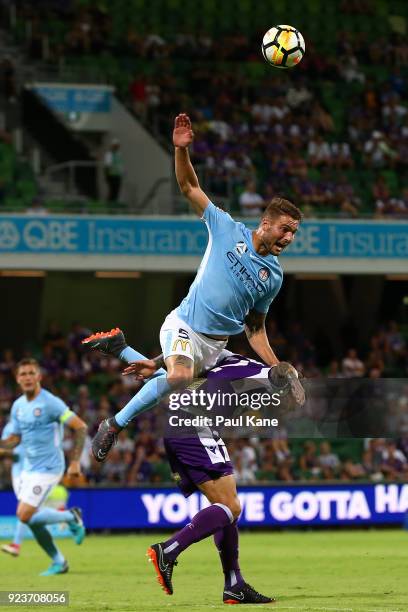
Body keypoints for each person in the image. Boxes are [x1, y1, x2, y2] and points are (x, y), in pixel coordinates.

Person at [86, 113, 302, 462]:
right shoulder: (227, 229)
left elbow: (256, 328)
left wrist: (278, 366)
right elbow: (190, 188)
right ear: (265, 224)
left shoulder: (273, 276)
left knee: (197, 391)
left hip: (216, 348)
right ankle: (113, 424)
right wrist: (180, 151)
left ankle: (124, 350)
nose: (289, 237)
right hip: (184, 326)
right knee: (181, 376)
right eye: (284, 229)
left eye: (293, 232)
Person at [83, 331, 302, 604]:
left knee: (225, 507)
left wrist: (134, 354)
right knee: (231, 508)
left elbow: (175, 371)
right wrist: (293, 381)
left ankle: (234, 584)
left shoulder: (227, 358)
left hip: (182, 426)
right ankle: (168, 550)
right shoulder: (265, 379)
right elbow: (281, 372)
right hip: (196, 429)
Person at [0, 358, 88, 575]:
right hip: (28, 469)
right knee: (31, 520)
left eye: (31, 373)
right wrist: (3, 446)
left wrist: (75, 462)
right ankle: (59, 561)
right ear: (17, 379)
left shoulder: (51, 403)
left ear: (39, 376)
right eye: (23, 374)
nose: (27, 377)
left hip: (49, 468)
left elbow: (81, 427)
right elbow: (16, 437)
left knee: (23, 514)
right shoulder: (18, 407)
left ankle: (71, 517)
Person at [0, 421, 25, 556]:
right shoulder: (10, 426)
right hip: (18, 472)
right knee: (29, 513)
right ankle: (69, 517)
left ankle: (16, 544)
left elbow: (14, 453)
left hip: (31, 471)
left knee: (25, 509)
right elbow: (7, 447)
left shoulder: (36, 424)